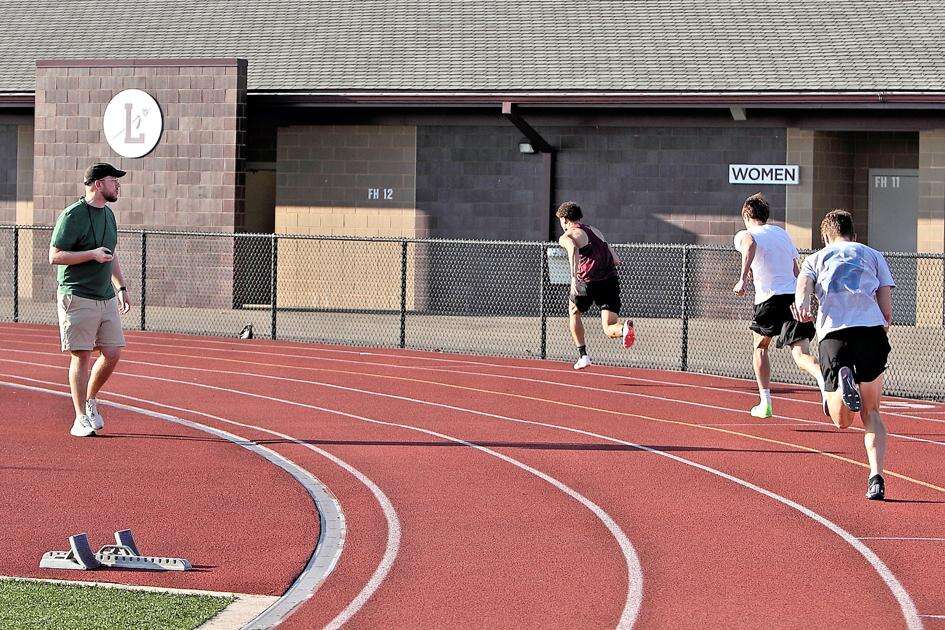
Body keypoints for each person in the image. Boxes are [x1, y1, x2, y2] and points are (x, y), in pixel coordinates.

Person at [793, 209, 894, 501]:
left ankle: (840, 380)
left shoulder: (816, 258)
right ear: (854, 235)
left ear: (826, 237)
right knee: (872, 412)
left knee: (841, 421)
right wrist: (883, 324)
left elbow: (803, 285)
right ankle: (876, 478)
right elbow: (886, 306)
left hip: (834, 335)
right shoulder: (873, 255)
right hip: (870, 331)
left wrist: (803, 305)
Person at [49, 163, 132, 437]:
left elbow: (111, 253)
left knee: (113, 352)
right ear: (98, 184)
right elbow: (55, 256)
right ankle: (80, 418)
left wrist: (121, 287)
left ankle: (90, 399)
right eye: (113, 180)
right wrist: (91, 254)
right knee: (82, 354)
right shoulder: (72, 215)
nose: (117, 185)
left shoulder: (108, 214)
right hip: (77, 294)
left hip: (105, 296)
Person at [733, 193, 827, 419]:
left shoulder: (745, 234)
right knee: (801, 355)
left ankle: (765, 402)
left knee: (760, 347)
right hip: (792, 297)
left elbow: (750, 244)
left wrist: (742, 278)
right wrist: (805, 295)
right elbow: (796, 269)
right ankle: (824, 379)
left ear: (746, 216)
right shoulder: (782, 233)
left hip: (768, 299)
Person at [556, 201, 635, 370]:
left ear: (564, 219)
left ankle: (583, 355)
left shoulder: (567, 236)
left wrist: (573, 279)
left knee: (574, 312)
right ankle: (623, 330)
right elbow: (616, 259)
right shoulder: (595, 230)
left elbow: (573, 250)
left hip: (587, 282)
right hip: (609, 280)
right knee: (609, 327)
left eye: (560, 221)